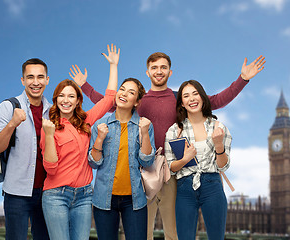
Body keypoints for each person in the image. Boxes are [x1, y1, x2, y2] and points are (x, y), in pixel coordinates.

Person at [75, 52, 265, 239]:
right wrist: (85, 86)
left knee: (173, 233)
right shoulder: (137, 102)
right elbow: (107, 103)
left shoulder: (178, 98)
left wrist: (242, 79)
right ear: (147, 72)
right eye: (154, 68)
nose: (159, 71)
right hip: (143, 173)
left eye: (163, 67)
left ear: (170, 72)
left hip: (174, 173)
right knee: (142, 233)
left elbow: (214, 101)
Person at [39, 44, 119, 240]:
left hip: (84, 196)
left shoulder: (86, 121)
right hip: (56, 196)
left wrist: (113, 65)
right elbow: (50, 168)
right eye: (62, 96)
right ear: (56, 99)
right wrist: (49, 136)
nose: (66, 100)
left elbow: (109, 100)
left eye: (71, 96)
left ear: (77, 101)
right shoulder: (49, 127)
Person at [0, 58, 51, 240]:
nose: (36, 82)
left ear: (47, 80)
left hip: (47, 192)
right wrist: (12, 124)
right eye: (30, 77)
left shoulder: (53, 111)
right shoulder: (8, 107)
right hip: (16, 194)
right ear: (23, 80)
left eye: (40, 77)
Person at [88, 78, 156, 240]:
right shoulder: (100, 124)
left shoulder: (144, 125)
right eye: (122, 89)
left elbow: (147, 162)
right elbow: (93, 163)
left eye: (131, 92)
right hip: (104, 198)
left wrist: (145, 133)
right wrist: (99, 139)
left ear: (137, 102)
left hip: (135, 200)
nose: (124, 94)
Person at [164, 80, 232, 240]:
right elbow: (170, 167)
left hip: (212, 186)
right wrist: (185, 159)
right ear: (181, 103)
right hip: (185, 189)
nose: (192, 99)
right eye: (186, 96)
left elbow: (223, 166)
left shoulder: (218, 128)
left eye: (195, 94)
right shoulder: (175, 130)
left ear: (202, 97)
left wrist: (219, 145)